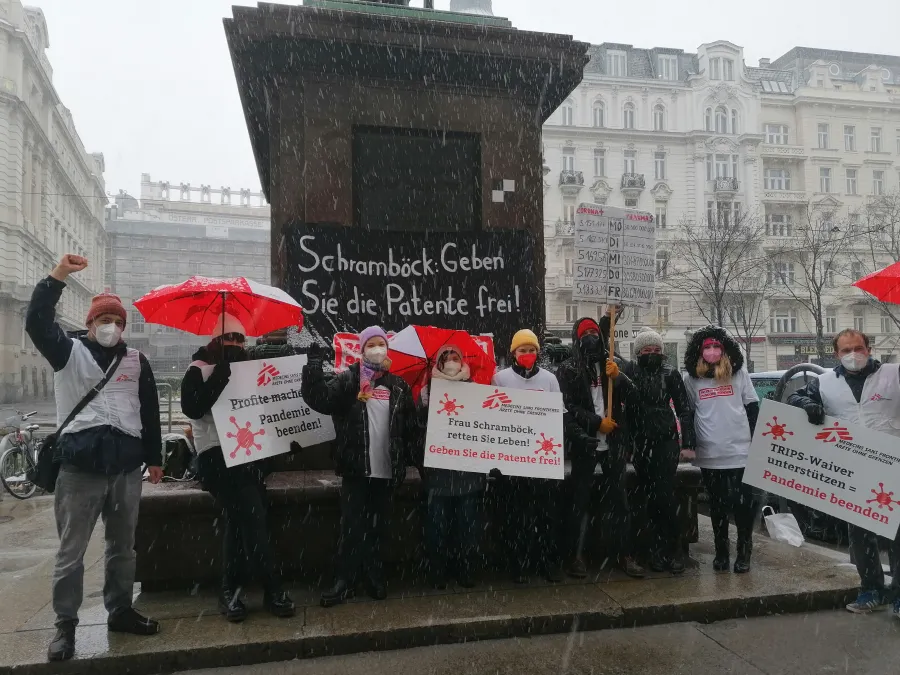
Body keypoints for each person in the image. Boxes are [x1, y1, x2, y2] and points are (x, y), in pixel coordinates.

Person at [25, 254, 163, 662]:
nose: (112, 328)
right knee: (72, 550)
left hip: (125, 469)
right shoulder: (66, 351)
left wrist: (154, 458)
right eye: (105, 321)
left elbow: (149, 411)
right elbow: (35, 321)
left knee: (123, 546)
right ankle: (65, 626)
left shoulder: (137, 361)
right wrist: (58, 277)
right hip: (79, 469)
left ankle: (119, 610)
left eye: (118, 322)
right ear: (89, 324)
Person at [181, 314, 295, 623]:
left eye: (240, 339)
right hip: (217, 459)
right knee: (254, 520)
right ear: (215, 341)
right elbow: (193, 408)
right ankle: (272, 589)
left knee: (238, 523)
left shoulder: (249, 372)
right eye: (228, 338)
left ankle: (230, 590)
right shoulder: (198, 371)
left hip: (249, 458)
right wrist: (221, 375)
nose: (235, 343)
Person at [302, 326, 418, 607]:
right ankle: (344, 580)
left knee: (379, 528)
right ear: (362, 349)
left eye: (381, 344)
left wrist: (411, 459)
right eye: (371, 344)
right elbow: (319, 399)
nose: (377, 349)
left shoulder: (398, 386)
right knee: (352, 528)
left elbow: (410, 428)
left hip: (386, 472)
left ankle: (374, 575)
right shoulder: (349, 381)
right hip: (356, 469)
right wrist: (314, 368)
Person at [788, 329, 900, 617]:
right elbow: (794, 398)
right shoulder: (825, 383)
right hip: (854, 468)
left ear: (869, 348)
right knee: (860, 533)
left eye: (859, 348)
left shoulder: (893, 374)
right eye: (846, 350)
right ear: (836, 353)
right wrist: (807, 405)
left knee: (898, 530)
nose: (854, 355)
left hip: (893, 463)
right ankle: (872, 589)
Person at [556, 314, 645, 579]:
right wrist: (595, 423)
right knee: (579, 501)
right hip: (587, 444)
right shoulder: (569, 368)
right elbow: (568, 407)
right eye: (584, 335)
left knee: (620, 501)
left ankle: (624, 555)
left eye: (593, 334)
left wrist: (620, 378)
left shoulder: (615, 364)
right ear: (576, 339)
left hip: (615, 445)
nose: (589, 339)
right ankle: (577, 556)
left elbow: (636, 398)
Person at [682, 326, 759, 574]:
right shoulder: (692, 378)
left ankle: (744, 551)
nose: (712, 351)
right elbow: (690, 413)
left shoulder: (739, 374)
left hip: (740, 450)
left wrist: (758, 440)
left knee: (742, 505)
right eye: (707, 347)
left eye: (716, 347)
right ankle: (722, 552)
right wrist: (690, 443)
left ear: (725, 349)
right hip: (710, 451)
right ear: (699, 351)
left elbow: (752, 406)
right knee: (717, 505)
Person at [491, 329, 565, 583]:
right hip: (512, 461)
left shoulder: (549, 380)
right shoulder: (499, 379)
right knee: (516, 516)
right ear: (514, 353)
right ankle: (518, 564)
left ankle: (546, 562)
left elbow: (559, 416)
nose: (528, 354)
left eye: (532, 350)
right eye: (523, 350)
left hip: (542, 459)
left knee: (546, 515)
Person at [623, 328, 695, 574]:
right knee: (646, 501)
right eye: (646, 350)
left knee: (665, 497)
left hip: (665, 441)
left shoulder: (670, 373)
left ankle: (673, 549)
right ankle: (652, 550)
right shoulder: (631, 372)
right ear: (638, 353)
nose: (652, 354)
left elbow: (684, 409)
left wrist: (688, 444)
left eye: (656, 350)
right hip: (641, 441)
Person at [415, 345, 486, 589]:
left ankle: (465, 569)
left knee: (468, 527)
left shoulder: (475, 390)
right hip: (438, 473)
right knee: (437, 527)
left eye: (456, 356)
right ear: (438, 364)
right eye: (446, 358)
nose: (452, 361)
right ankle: (437, 571)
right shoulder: (427, 391)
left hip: (468, 473)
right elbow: (417, 429)